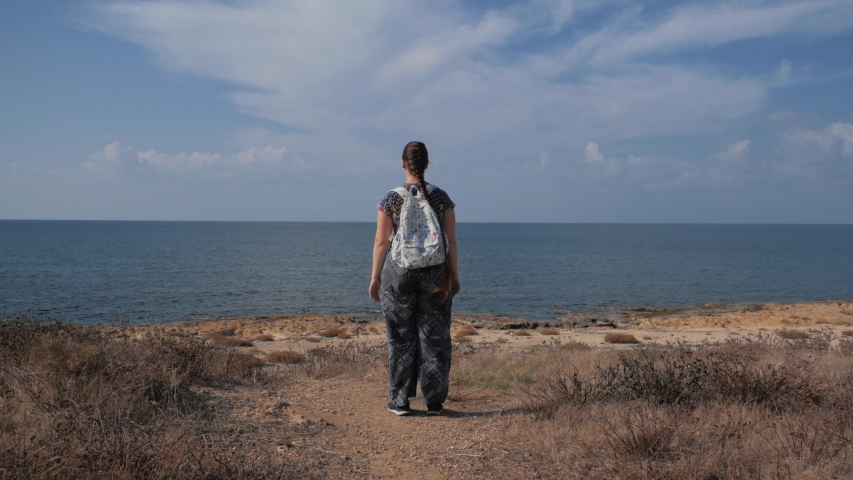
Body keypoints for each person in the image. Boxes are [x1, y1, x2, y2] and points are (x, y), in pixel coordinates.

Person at [369, 141, 460, 417]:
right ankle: (434, 403)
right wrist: (454, 276)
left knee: (400, 335)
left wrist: (375, 278)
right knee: (434, 335)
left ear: (403, 164)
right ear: (427, 164)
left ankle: (400, 401)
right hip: (435, 273)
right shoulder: (441, 198)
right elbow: (451, 242)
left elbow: (381, 241)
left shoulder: (391, 198)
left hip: (399, 273)